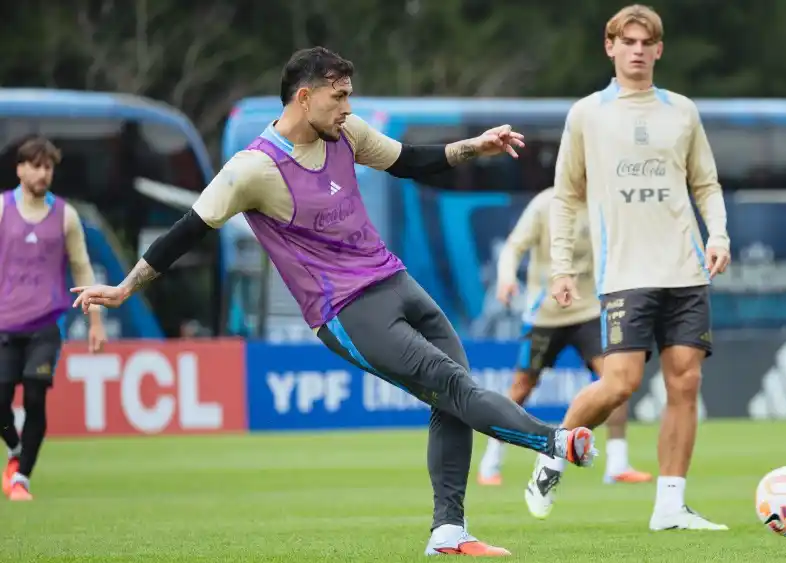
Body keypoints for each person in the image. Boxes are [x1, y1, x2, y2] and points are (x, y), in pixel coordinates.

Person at [70, 46, 595, 557]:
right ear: (304, 96)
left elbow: (407, 161)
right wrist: (124, 288)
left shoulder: (347, 133)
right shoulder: (251, 170)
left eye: (349, 97)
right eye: (339, 97)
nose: (348, 108)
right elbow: (185, 232)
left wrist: (473, 147)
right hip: (346, 311)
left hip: (396, 281)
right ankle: (553, 443)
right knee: (455, 386)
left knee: (453, 395)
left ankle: (448, 534)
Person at [524, 5, 732, 531]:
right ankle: (552, 455)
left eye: (647, 42)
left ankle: (669, 506)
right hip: (625, 275)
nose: (638, 50)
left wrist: (719, 235)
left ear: (659, 50)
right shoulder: (587, 114)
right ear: (610, 46)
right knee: (619, 384)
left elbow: (705, 183)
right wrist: (563, 267)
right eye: (628, 41)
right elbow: (566, 196)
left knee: (685, 382)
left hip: (684, 270)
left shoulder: (681, 111)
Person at [477, 186, 651, 488]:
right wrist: (506, 278)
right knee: (522, 386)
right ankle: (490, 462)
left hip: (589, 310)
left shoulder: (604, 203)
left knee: (615, 380)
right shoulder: (545, 204)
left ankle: (617, 463)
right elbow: (513, 247)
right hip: (545, 313)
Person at [0, 136, 107, 502]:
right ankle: (15, 450)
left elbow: (82, 269)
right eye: (36, 165)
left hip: (45, 325)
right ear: (20, 168)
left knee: (34, 396)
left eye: (48, 167)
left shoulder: (66, 216)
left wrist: (95, 323)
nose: (43, 173)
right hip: (4, 325)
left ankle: (22, 479)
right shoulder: (1, 210)